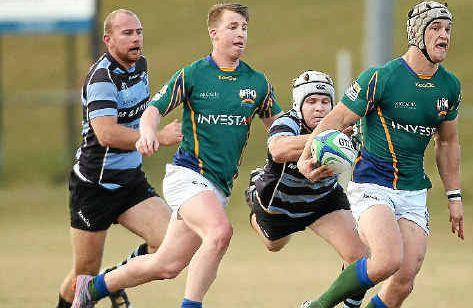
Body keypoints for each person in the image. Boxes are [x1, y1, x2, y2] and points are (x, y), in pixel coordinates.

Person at [71, 3, 283, 308]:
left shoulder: (257, 83)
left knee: (167, 265)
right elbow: (154, 109)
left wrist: (310, 141)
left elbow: (279, 130)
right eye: (232, 27)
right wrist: (148, 132)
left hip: (218, 187)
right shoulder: (194, 74)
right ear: (214, 33)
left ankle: (95, 287)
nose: (240, 34)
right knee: (220, 232)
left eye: (244, 28)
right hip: (188, 176)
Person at [298, 2, 464, 307]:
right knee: (387, 259)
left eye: (448, 29)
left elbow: (448, 143)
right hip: (372, 184)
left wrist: (454, 197)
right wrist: (304, 156)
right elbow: (336, 120)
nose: (444, 36)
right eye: (436, 28)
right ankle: (318, 306)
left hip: (413, 191)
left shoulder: (449, 87)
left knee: (403, 282)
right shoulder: (382, 77)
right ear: (417, 33)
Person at [57, 9, 182, 308]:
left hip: (129, 181)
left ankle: (111, 281)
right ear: (108, 40)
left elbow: (141, 115)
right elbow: (107, 134)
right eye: (127, 33)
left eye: (138, 32)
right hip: (94, 186)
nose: (136, 38)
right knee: (83, 275)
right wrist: (157, 137)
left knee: (169, 244)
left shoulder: (140, 65)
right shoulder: (101, 77)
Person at [245, 70, 367, 308]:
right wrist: (325, 138)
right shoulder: (287, 122)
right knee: (274, 246)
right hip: (279, 205)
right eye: (311, 101)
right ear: (298, 105)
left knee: (360, 256)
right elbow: (279, 150)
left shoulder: (345, 125)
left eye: (325, 102)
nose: (319, 108)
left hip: (323, 201)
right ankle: (253, 202)